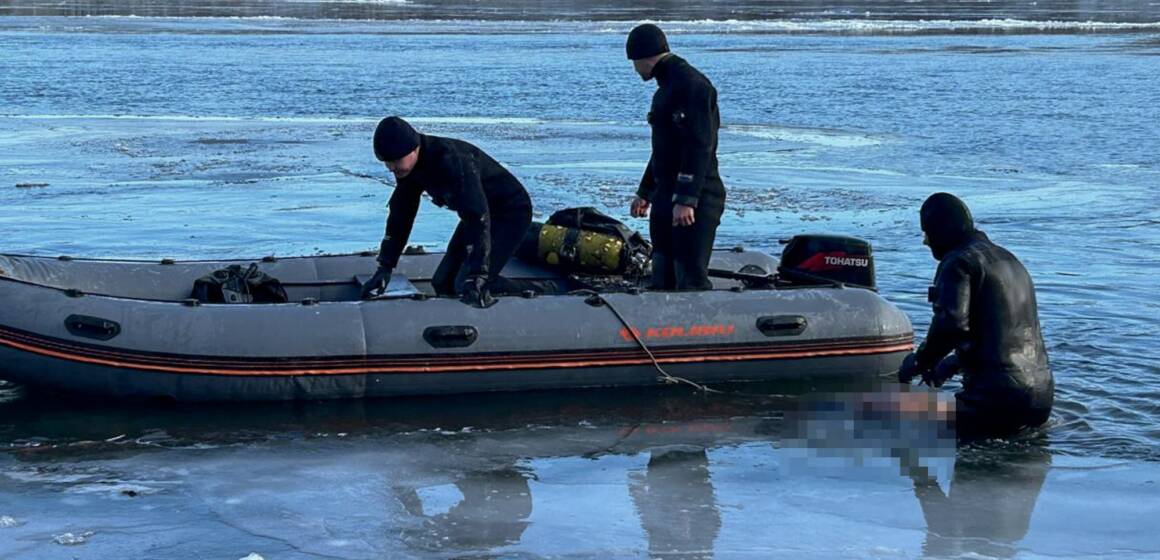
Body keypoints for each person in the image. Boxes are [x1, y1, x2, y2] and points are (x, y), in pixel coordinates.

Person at [899, 192, 1054, 440]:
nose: (925, 242)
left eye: (927, 233)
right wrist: (948, 365)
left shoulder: (958, 262)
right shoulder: (1010, 260)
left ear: (941, 230)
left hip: (992, 401)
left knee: (895, 425)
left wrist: (919, 362)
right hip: (1041, 398)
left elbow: (950, 325)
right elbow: (999, 335)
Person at [362, 117, 533, 307]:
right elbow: (400, 216)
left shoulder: (450, 160)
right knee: (442, 282)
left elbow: (477, 216)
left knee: (466, 284)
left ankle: (540, 291)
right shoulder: (409, 170)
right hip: (478, 214)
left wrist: (479, 273)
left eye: (396, 161)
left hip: (510, 212)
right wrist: (385, 266)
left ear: (413, 148)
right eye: (387, 162)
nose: (391, 168)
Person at [626, 24, 726, 291]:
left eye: (634, 63)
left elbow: (699, 146)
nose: (635, 70)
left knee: (688, 277)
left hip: (697, 199)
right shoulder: (666, 88)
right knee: (662, 273)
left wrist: (686, 199)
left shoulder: (692, 86)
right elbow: (664, 149)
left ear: (644, 57)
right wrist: (645, 191)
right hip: (665, 195)